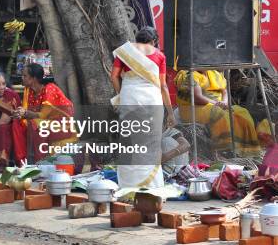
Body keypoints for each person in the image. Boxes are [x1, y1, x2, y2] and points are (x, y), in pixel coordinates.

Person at [110, 26, 175, 190]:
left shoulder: (125, 52)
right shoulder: (159, 55)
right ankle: (151, 186)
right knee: (151, 143)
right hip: (151, 100)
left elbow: (114, 76)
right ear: (153, 41)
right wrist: (170, 112)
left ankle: (128, 185)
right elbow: (163, 87)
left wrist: (121, 93)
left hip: (129, 97)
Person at [174, 70, 262, 156]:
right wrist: (217, 104)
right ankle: (225, 150)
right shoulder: (189, 76)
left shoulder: (215, 74)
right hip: (194, 108)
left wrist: (224, 102)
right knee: (221, 115)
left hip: (217, 105)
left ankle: (246, 150)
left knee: (242, 112)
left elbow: (224, 91)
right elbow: (198, 98)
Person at [13, 63, 77, 164]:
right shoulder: (30, 91)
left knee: (36, 123)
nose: (22, 78)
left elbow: (43, 115)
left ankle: (40, 162)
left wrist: (25, 113)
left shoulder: (49, 88)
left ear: (33, 78)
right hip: (44, 122)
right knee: (16, 123)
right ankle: (21, 162)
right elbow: (31, 113)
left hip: (62, 124)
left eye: (25, 76)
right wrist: (20, 114)